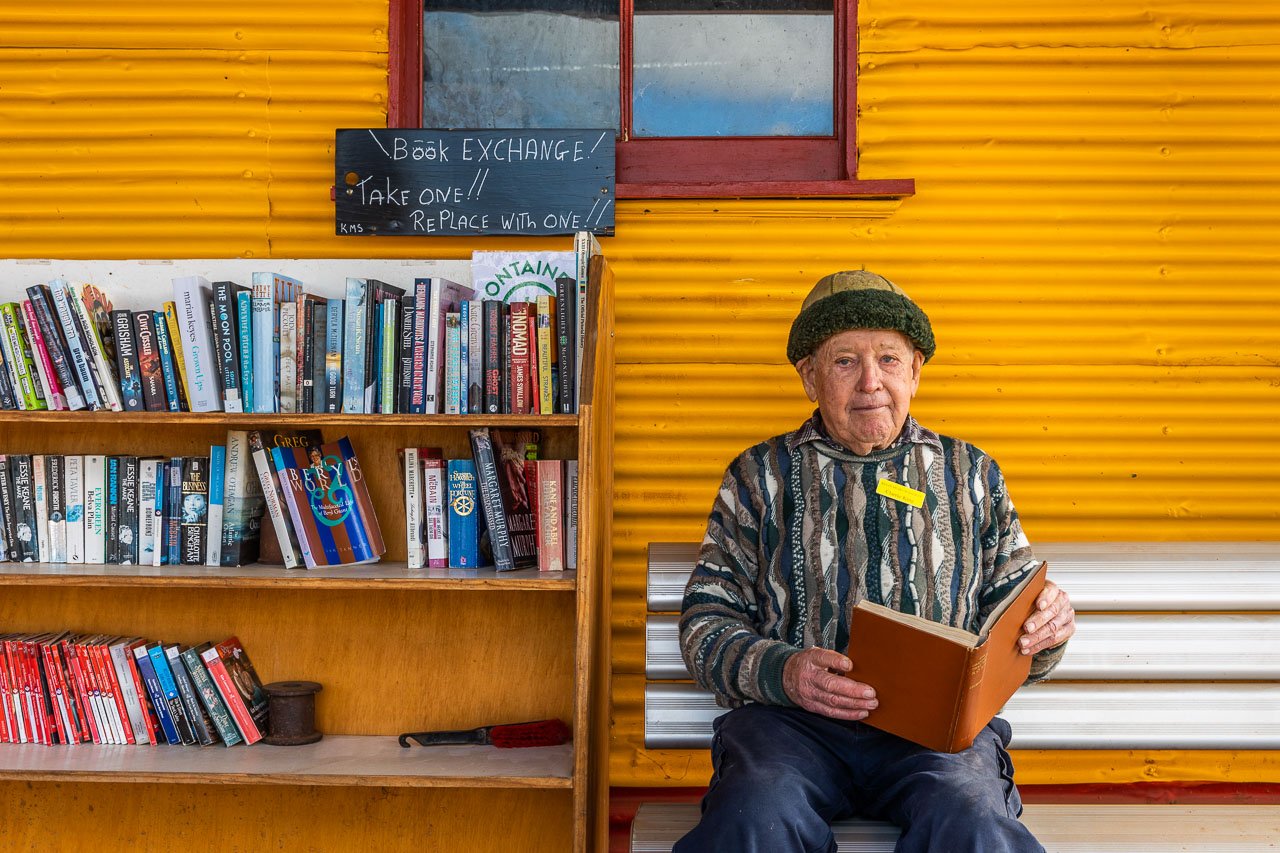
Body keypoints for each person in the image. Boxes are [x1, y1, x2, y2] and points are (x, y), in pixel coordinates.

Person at [675, 271, 1076, 853]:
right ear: (809, 377)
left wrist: (1048, 628)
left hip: (936, 736)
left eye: (888, 359)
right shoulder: (757, 476)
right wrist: (783, 672)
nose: (871, 381)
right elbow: (704, 623)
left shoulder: (970, 475)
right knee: (755, 817)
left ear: (914, 370)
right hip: (790, 729)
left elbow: (1017, 620)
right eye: (844, 362)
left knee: (973, 823)